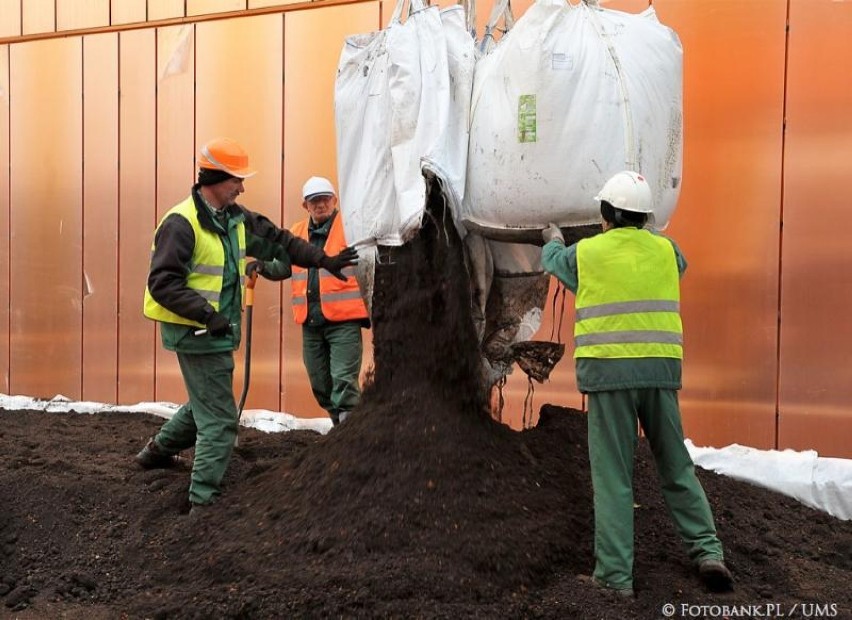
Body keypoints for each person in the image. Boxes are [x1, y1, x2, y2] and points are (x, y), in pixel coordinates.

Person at [135, 138, 358, 514]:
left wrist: (325, 261)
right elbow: (162, 283)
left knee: (206, 402)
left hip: (217, 330)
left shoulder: (234, 218)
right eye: (236, 180)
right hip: (196, 332)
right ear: (215, 179)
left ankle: (153, 453)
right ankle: (203, 504)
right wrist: (207, 314)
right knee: (221, 420)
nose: (242, 187)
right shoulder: (181, 223)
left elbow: (282, 243)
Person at [540, 171, 733, 597]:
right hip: (660, 373)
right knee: (675, 464)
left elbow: (556, 263)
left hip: (610, 375)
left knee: (613, 476)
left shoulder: (587, 253)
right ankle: (707, 551)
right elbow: (675, 267)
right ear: (646, 216)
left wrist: (553, 237)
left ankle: (614, 577)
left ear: (605, 213)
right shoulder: (667, 250)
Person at [250, 176, 369, 426]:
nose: (320, 205)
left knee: (344, 380)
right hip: (311, 322)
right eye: (314, 201)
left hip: (344, 321)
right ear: (306, 205)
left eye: (325, 199)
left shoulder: (351, 229)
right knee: (320, 383)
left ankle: (350, 432)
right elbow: (284, 267)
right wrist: (262, 266)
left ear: (334, 200)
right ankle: (339, 425)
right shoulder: (296, 233)